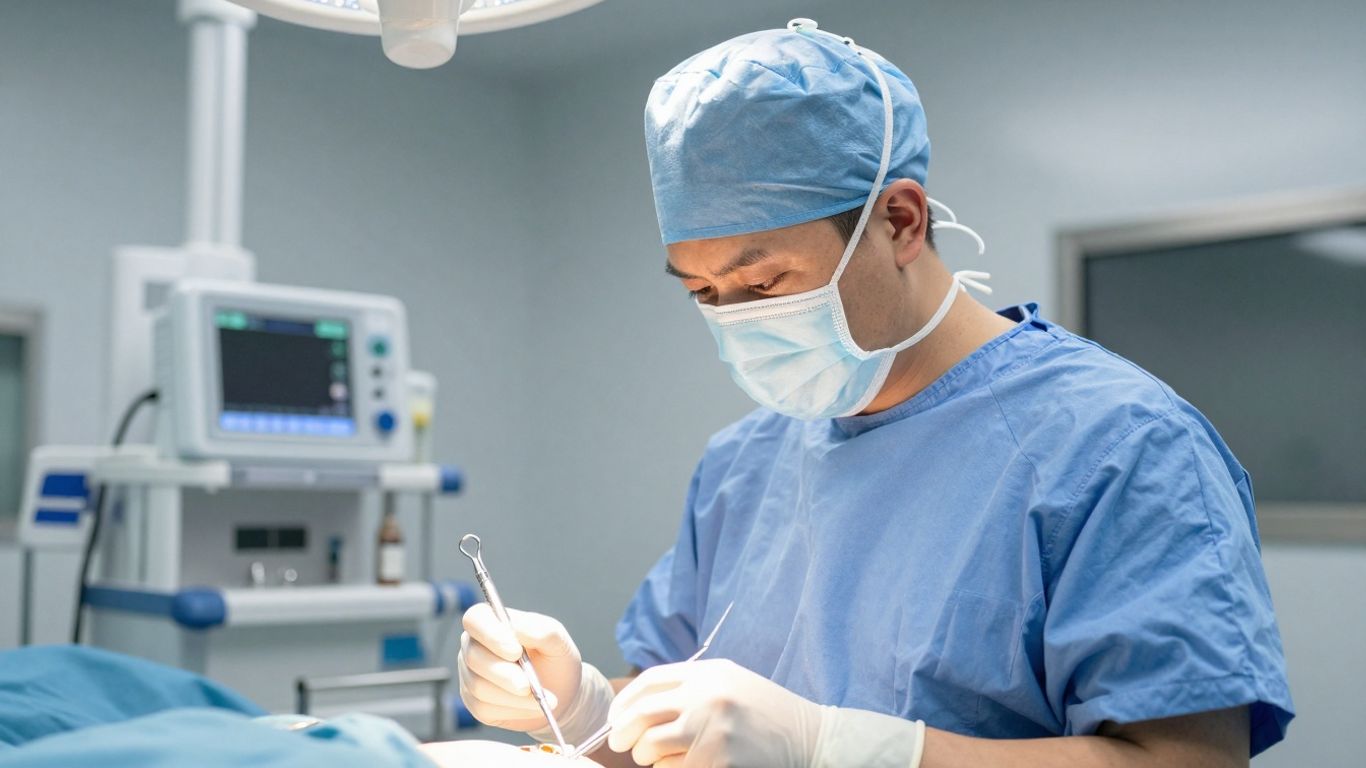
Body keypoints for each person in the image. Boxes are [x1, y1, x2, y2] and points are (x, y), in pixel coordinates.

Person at [458, 18, 1294, 768]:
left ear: (900, 221)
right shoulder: (744, 464)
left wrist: (845, 749)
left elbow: (1186, 761)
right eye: (702, 294)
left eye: (762, 282)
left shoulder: (1120, 444)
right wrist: (585, 707)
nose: (735, 321)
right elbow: (684, 728)